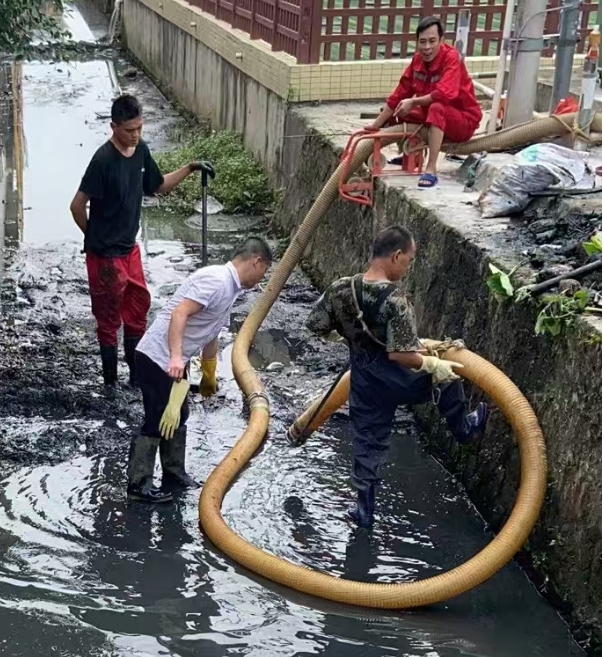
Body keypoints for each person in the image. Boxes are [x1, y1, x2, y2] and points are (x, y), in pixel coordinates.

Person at [302, 225, 488, 528]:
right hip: (398, 379)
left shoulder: (340, 288)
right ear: (396, 255)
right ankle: (464, 429)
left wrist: (348, 338)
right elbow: (400, 355)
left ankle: (364, 510)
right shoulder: (395, 299)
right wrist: (432, 364)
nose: (408, 266)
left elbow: (315, 323)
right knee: (447, 376)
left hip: (363, 381)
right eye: (409, 260)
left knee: (367, 441)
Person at [70, 94, 214, 388]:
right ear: (113, 127)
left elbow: (157, 186)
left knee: (138, 311)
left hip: (129, 250)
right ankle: (110, 384)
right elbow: (76, 206)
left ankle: (136, 380)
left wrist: (190, 168)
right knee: (109, 320)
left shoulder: (141, 151)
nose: (134, 135)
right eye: (128, 130)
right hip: (105, 256)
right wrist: (95, 239)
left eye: (139, 128)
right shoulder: (102, 161)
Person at [128, 237, 273, 503]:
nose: (263, 277)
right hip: (156, 357)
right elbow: (179, 313)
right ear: (256, 261)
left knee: (178, 414)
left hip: (173, 360)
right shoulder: (216, 280)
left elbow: (211, 332)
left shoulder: (231, 289)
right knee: (157, 417)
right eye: (264, 270)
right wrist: (174, 358)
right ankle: (139, 485)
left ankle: (173, 473)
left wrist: (209, 373)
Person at [366, 16, 482, 188]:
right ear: (417, 42)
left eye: (432, 41)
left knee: (436, 107)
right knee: (398, 109)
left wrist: (413, 103)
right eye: (423, 42)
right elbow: (399, 93)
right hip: (431, 116)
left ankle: (431, 169)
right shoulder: (417, 61)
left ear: (441, 40)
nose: (427, 47)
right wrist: (376, 125)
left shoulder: (452, 58)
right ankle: (410, 155)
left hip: (462, 121)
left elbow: (444, 94)